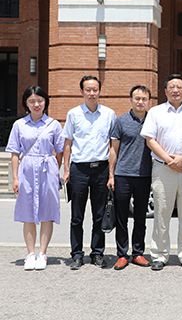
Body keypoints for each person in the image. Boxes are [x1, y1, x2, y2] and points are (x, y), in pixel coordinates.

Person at [140, 74, 182, 271]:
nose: (175, 90)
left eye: (179, 87)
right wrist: (170, 161)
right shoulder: (155, 112)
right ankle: (159, 255)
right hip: (163, 168)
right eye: (172, 87)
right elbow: (150, 140)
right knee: (161, 213)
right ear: (165, 91)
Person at [7, 86, 64, 271]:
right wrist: (15, 178)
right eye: (32, 101)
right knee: (28, 212)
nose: (36, 104)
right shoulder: (19, 125)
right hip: (27, 169)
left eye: (40, 100)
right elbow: (14, 153)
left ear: (46, 102)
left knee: (47, 212)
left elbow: (60, 151)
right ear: (26, 103)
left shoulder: (54, 125)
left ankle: (43, 253)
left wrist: (55, 170)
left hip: (48, 169)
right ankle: (30, 253)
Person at [62, 75, 116, 270]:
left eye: (95, 90)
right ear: (82, 91)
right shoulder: (73, 114)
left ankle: (97, 253)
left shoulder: (109, 114)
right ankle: (76, 254)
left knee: (99, 215)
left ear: (100, 91)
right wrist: (66, 169)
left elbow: (113, 145)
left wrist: (111, 174)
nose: (92, 93)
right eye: (88, 90)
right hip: (79, 170)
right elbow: (68, 143)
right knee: (77, 216)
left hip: (101, 169)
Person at [107, 85, 153, 270]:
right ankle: (122, 254)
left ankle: (138, 253)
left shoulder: (153, 120)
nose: (140, 102)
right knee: (121, 217)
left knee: (141, 217)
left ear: (148, 101)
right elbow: (113, 149)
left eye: (144, 99)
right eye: (137, 98)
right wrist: (111, 174)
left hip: (144, 175)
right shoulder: (121, 121)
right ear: (131, 100)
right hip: (123, 174)